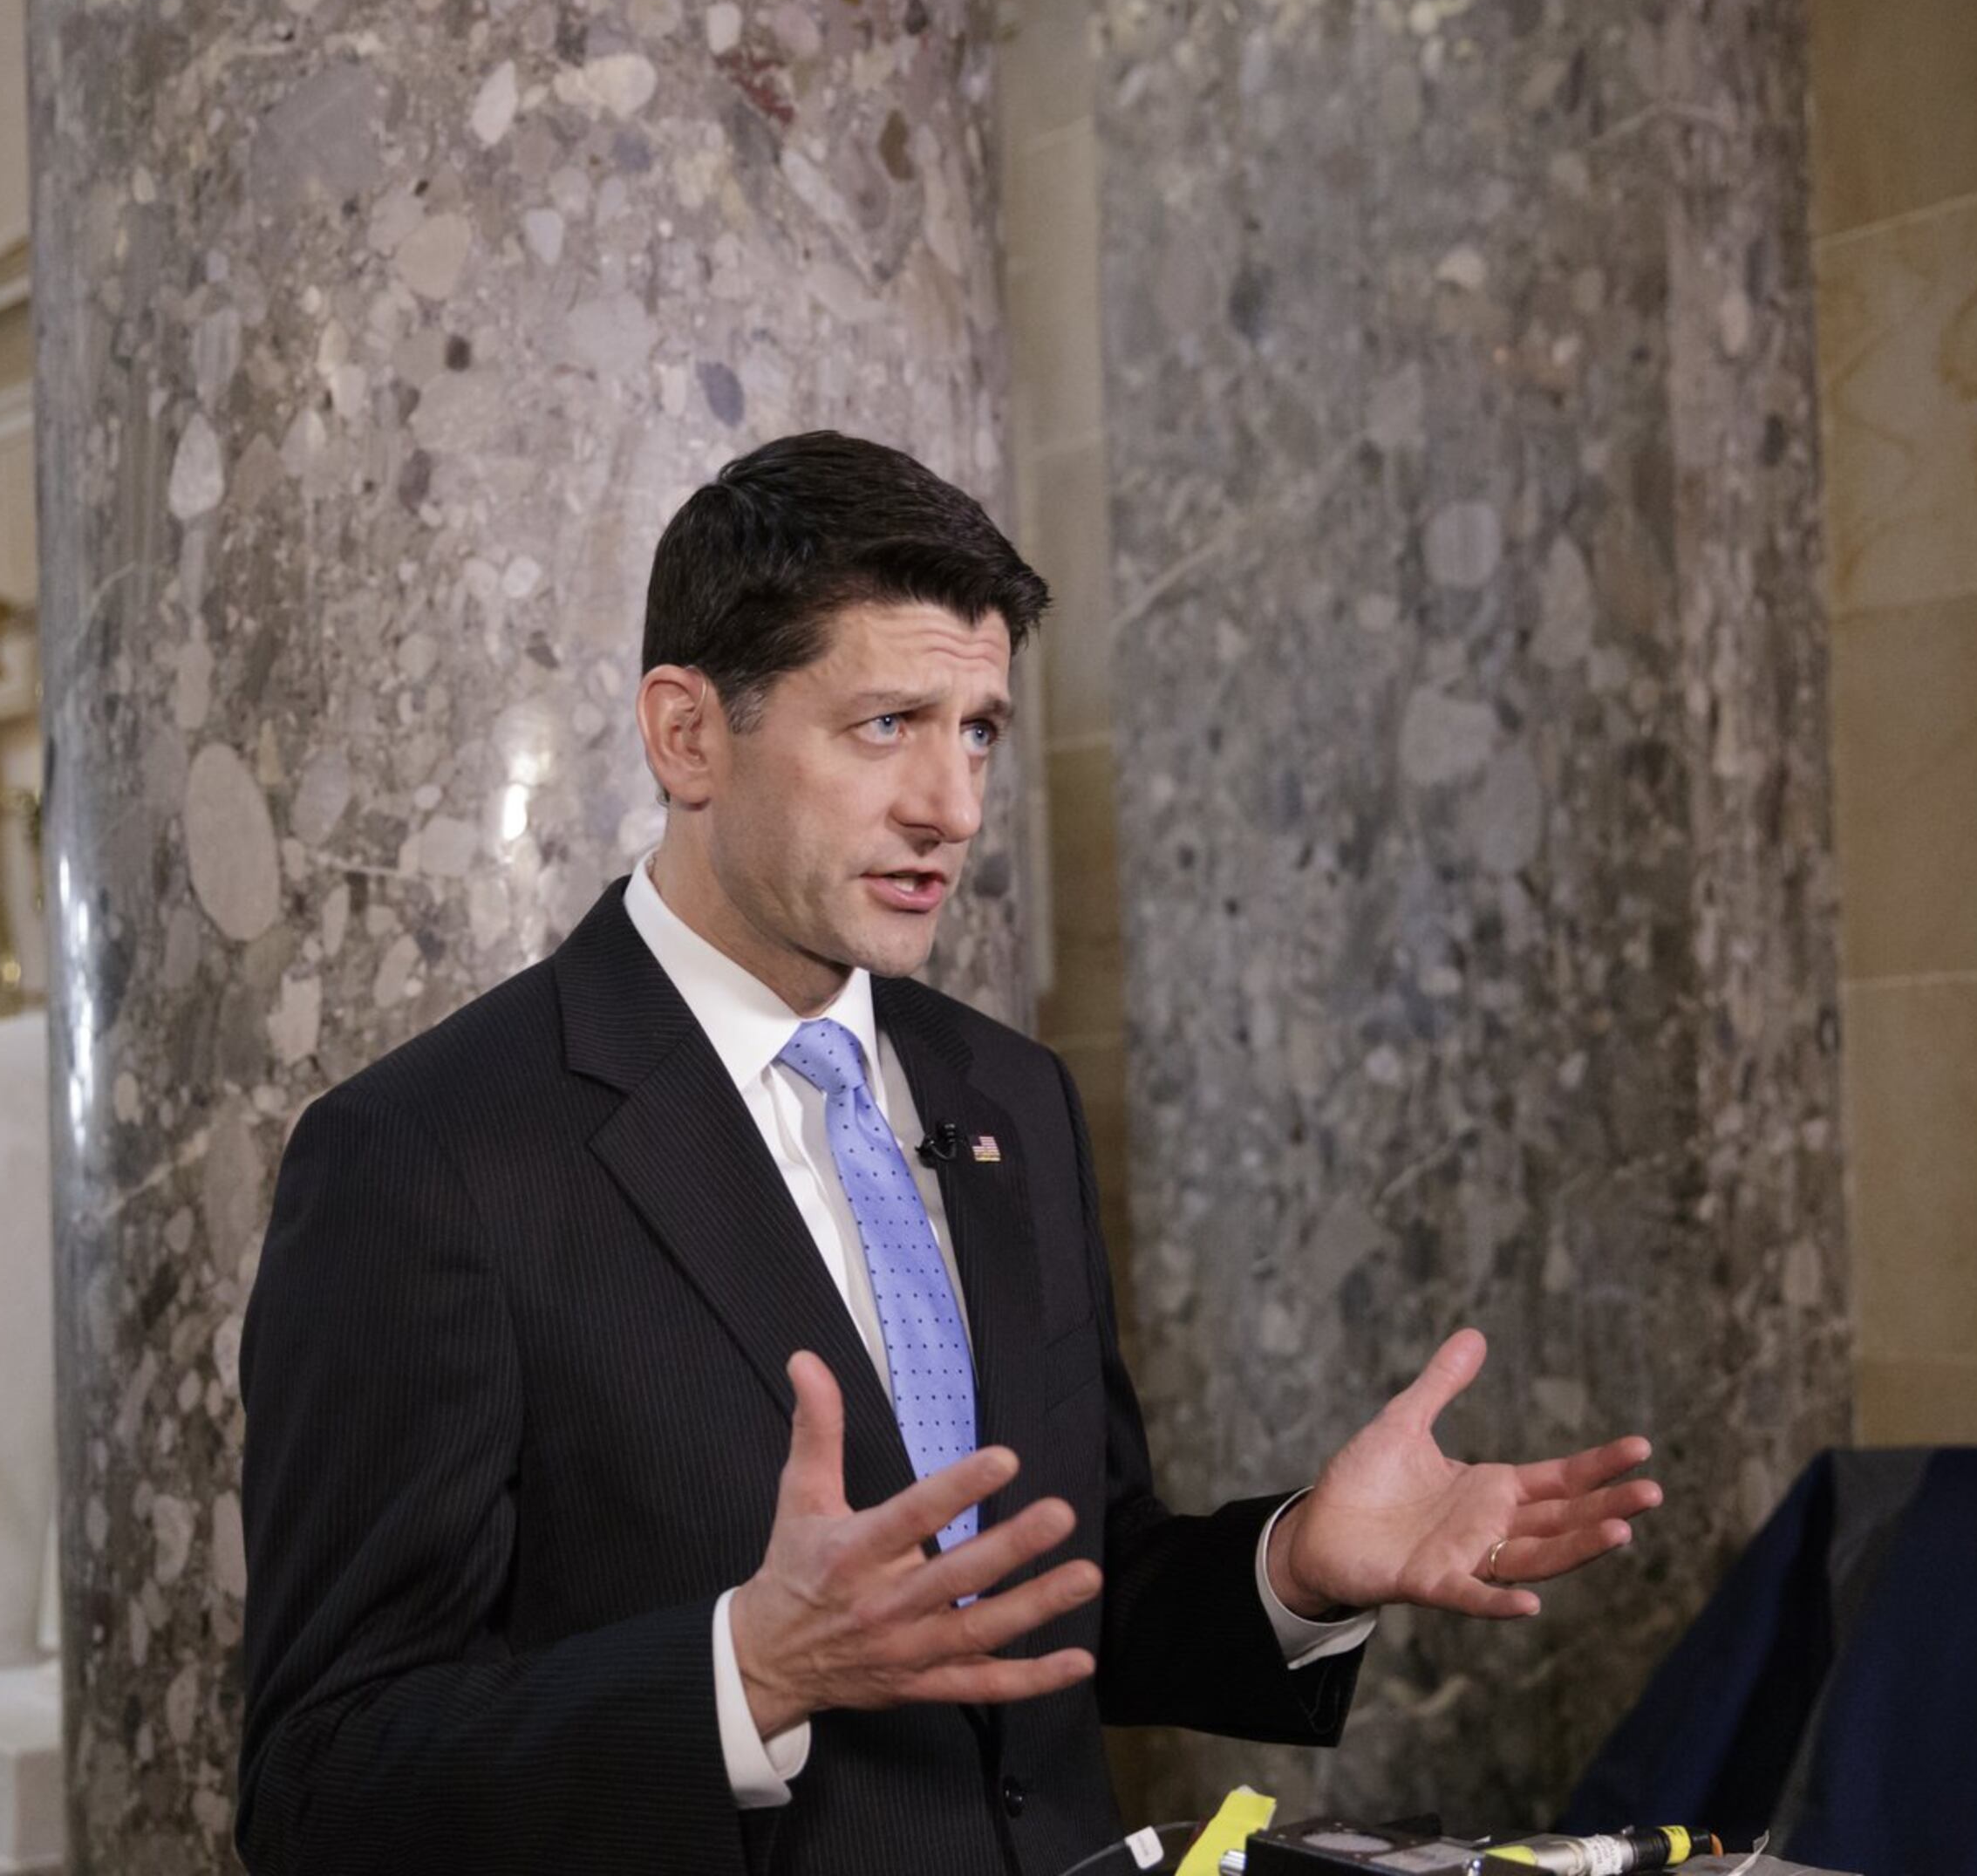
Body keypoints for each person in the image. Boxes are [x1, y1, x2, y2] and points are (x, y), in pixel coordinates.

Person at [233, 432, 1667, 1875]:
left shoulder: (1010, 1094)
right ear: (686, 735)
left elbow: (1058, 1589)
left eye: (977, 729)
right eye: (886, 726)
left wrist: (1290, 1567)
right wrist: (745, 1675)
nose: (953, 808)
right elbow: (321, 1787)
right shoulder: (426, 1157)